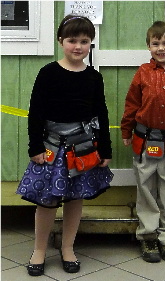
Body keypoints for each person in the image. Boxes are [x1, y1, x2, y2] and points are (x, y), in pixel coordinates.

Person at [16, 14, 113, 276]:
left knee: (75, 198)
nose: (78, 46)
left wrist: (105, 149)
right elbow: (35, 111)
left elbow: (100, 114)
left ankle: (68, 247)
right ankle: (39, 249)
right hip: (51, 148)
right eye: (72, 40)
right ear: (61, 41)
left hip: (83, 148)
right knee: (47, 201)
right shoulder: (48, 73)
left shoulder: (94, 77)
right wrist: (34, 146)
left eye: (84, 41)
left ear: (91, 43)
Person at [121, 21, 165, 263]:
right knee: (146, 188)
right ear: (148, 46)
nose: (161, 48)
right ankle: (148, 235)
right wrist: (126, 130)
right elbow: (132, 103)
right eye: (156, 43)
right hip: (144, 140)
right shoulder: (142, 72)